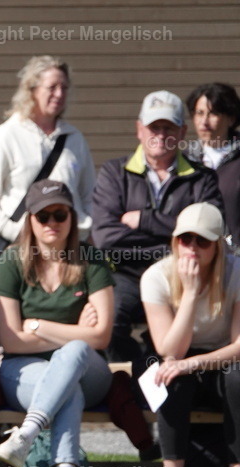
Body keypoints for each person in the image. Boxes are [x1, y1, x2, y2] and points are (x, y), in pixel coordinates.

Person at [0, 180, 114, 467]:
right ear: (30, 219)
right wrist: (78, 332)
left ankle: (26, 434)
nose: (52, 223)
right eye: (43, 216)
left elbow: (100, 338)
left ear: (72, 217)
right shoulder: (11, 261)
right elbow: (10, 340)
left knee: (74, 353)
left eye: (60, 214)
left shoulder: (91, 259)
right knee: (66, 386)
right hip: (23, 369)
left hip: (90, 369)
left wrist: (37, 325)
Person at [91, 90, 222, 364]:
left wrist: (145, 220)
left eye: (168, 127)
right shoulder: (114, 173)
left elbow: (211, 229)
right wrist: (175, 236)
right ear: (139, 130)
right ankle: (138, 374)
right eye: (153, 127)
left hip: (182, 273)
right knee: (109, 320)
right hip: (126, 272)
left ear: (183, 131)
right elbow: (105, 238)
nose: (160, 135)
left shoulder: (203, 179)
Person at [141, 202, 240, 467]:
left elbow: (238, 346)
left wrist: (193, 363)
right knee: (169, 378)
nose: (192, 248)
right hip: (180, 358)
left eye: (203, 241)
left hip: (222, 359)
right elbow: (168, 348)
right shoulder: (156, 276)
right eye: (186, 239)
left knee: (238, 377)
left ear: (218, 246)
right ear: (175, 241)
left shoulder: (235, 272)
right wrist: (191, 293)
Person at [0, 56, 95, 279]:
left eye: (64, 87)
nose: (59, 94)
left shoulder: (75, 139)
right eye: (52, 87)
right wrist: (18, 233)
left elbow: (90, 197)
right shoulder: (8, 134)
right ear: (31, 89)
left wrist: (81, 234)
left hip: (70, 258)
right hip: (19, 256)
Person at [185, 83, 240, 246]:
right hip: (195, 255)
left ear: (231, 118)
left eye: (213, 113)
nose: (204, 122)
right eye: (199, 113)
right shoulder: (184, 161)